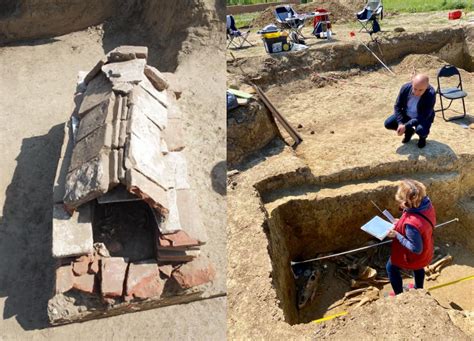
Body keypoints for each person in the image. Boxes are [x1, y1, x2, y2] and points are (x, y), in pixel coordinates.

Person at [386, 179, 436, 295]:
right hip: (426, 250)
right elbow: (420, 222)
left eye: (402, 201)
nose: (400, 204)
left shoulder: (411, 224)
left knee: (391, 268)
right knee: (419, 268)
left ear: (408, 202)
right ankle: (419, 290)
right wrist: (401, 222)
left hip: (414, 256)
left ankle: (400, 296)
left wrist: (397, 235)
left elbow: (416, 249)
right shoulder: (427, 205)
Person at [384, 74, 436, 148]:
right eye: (415, 88)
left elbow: (424, 115)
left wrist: (406, 125)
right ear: (412, 83)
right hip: (407, 114)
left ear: (427, 86)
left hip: (421, 117)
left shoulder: (431, 93)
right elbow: (397, 106)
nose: (417, 92)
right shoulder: (405, 88)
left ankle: (422, 138)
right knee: (388, 123)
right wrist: (400, 123)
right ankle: (409, 132)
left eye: (421, 90)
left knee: (421, 130)